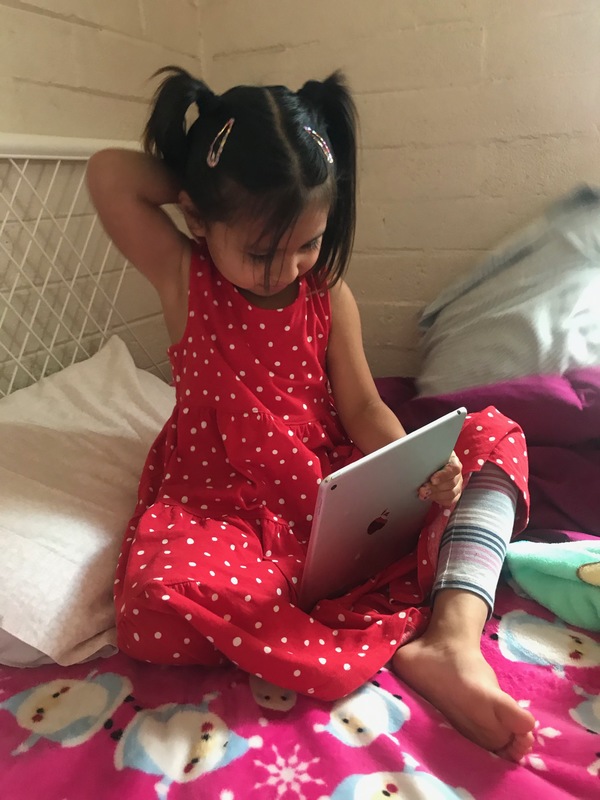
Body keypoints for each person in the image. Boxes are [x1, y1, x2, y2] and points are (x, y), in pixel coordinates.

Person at [87, 66, 535, 761]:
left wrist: (422, 465)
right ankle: (331, 607)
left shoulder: (327, 293)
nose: (290, 267)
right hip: (227, 509)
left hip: (332, 490)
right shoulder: (184, 276)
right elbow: (109, 175)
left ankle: (450, 640)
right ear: (199, 221)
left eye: (308, 242)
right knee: (156, 600)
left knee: (493, 436)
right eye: (263, 251)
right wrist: (208, 183)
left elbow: (363, 406)